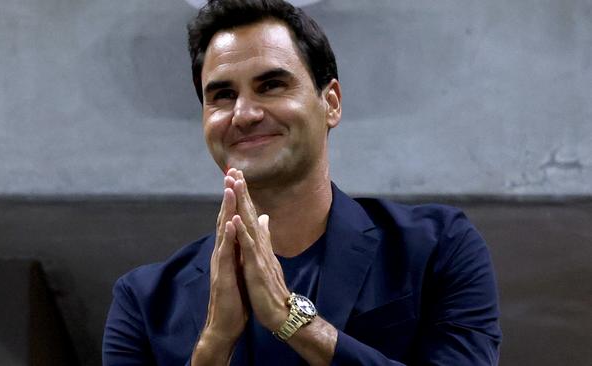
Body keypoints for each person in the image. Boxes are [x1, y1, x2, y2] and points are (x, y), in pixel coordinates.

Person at [102, 0, 502, 365]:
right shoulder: (142, 300)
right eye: (222, 95)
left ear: (331, 103)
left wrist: (290, 318)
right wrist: (215, 343)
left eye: (271, 84)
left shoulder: (438, 246)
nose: (244, 113)